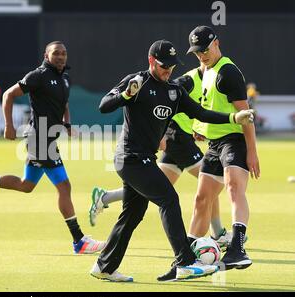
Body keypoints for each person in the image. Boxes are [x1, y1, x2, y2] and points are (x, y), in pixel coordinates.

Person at [89, 39, 255, 282]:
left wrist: (234, 117)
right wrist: (126, 94)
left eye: (172, 66)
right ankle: (185, 262)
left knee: (133, 213)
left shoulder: (174, 91)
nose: (168, 70)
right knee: (169, 199)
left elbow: (201, 113)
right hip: (130, 159)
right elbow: (104, 106)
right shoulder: (136, 81)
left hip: (145, 158)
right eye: (163, 65)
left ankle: (104, 266)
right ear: (151, 61)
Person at [0, 41, 106, 255]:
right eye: (56, 53)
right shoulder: (38, 76)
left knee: (26, 185)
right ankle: (79, 241)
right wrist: (8, 125)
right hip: (39, 139)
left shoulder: (65, 78)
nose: (61, 57)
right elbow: (8, 95)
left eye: (64, 53)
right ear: (46, 55)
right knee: (64, 186)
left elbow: (64, 104)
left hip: (49, 139)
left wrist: (68, 125)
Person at [88, 63, 235, 250]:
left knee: (150, 190)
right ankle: (216, 235)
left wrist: (202, 127)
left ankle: (105, 199)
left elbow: (198, 113)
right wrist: (164, 133)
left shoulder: (210, 81)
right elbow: (162, 101)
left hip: (182, 137)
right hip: (176, 137)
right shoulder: (187, 81)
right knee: (208, 179)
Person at [187, 25, 260, 270]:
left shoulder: (227, 72)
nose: (202, 55)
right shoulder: (206, 70)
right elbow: (208, 105)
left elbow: (245, 114)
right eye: (197, 52)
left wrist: (252, 151)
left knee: (233, 187)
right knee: (201, 199)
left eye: (205, 50)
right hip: (214, 143)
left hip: (234, 140)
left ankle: (238, 249)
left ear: (216, 43)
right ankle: (187, 255)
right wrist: (200, 127)